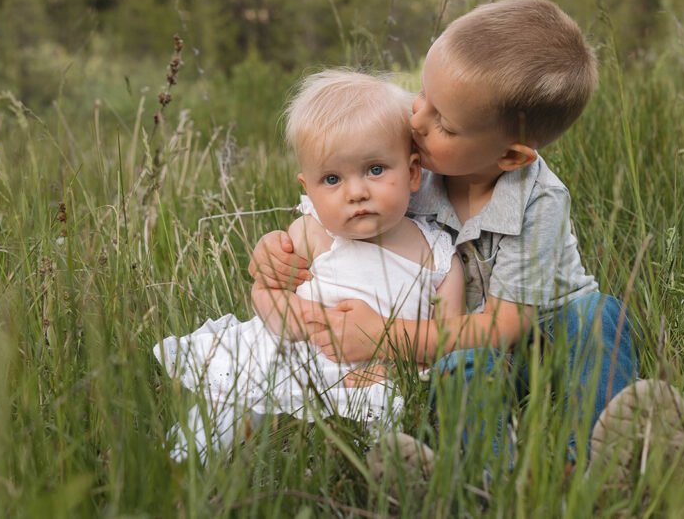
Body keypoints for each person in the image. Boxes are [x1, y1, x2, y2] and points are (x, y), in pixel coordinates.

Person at [250, 0, 684, 476]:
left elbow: (505, 327)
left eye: (444, 123)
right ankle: (488, 477)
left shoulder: (538, 202)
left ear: (510, 157)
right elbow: (331, 212)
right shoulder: (414, 164)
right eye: (422, 95)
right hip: (459, 351)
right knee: (462, 367)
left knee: (602, 315)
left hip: (538, 339)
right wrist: (275, 250)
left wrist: (383, 336)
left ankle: (592, 463)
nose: (416, 122)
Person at [155, 69, 465, 462]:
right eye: (332, 178)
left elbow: (448, 337)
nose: (356, 192)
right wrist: (290, 313)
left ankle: (387, 468)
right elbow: (268, 288)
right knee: (236, 395)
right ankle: (183, 458)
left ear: (413, 172)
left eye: (375, 169)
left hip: (378, 373)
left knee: (387, 414)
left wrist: (393, 369)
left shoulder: (436, 255)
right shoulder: (313, 233)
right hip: (296, 353)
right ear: (309, 189)